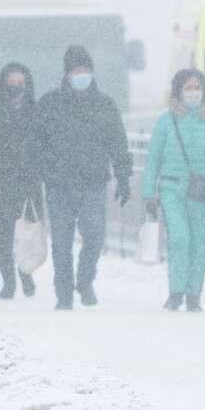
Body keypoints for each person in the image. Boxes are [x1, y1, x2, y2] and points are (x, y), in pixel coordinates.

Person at [140, 68, 205, 312]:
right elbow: (154, 158)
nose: (193, 92)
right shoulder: (165, 122)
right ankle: (176, 292)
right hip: (172, 188)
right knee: (179, 238)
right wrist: (149, 192)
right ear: (178, 91)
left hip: (203, 188)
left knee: (198, 244)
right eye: (188, 88)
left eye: (197, 87)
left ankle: (193, 295)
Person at [35, 45, 130, 310]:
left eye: (86, 70)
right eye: (77, 70)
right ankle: (63, 293)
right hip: (59, 184)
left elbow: (118, 143)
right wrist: (42, 170)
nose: (82, 75)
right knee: (62, 243)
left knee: (95, 235)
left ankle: (85, 279)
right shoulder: (50, 104)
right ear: (67, 74)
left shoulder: (105, 105)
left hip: (93, 182)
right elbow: (35, 143)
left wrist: (123, 176)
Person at [0, 62, 43, 299]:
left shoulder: (37, 112)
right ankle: (9, 280)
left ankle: (25, 272)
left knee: (25, 232)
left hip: (27, 184)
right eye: (11, 83)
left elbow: (44, 146)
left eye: (20, 83)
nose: (16, 88)